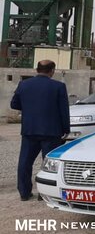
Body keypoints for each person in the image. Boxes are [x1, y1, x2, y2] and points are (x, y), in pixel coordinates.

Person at [11, 60, 70, 201]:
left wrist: (30, 108)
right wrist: (66, 129)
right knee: (50, 164)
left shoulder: (23, 84)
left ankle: (24, 193)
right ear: (52, 71)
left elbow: (14, 104)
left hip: (29, 129)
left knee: (25, 162)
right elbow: (64, 110)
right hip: (51, 131)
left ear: (36, 70)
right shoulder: (59, 86)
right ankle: (45, 193)